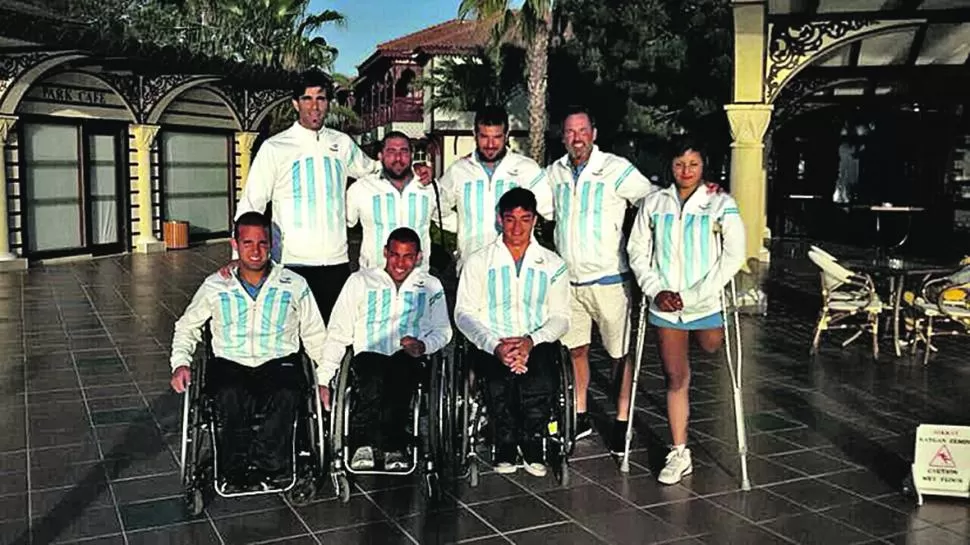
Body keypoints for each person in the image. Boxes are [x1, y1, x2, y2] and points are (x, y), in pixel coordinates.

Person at [229, 70, 430, 322]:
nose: (314, 106)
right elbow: (251, 204)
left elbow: (374, 168)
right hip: (291, 263)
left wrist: (413, 170)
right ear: (295, 103)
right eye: (307, 99)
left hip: (336, 263)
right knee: (295, 340)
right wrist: (238, 258)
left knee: (337, 337)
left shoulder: (341, 143)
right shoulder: (275, 148)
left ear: (328, 103)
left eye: (321, 99)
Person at [169, 211, 334, 491]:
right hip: (231, 361)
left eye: (262, 243)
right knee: (230, 395)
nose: (255, 251)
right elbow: (186, 327)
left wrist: (323, 379)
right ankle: (234, 470)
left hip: (279, 360)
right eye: (248, 243)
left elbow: (315, 334)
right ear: (236, 244)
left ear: (271, 244)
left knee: (288, 394)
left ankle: (268, 466)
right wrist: (181, 363)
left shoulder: (294, 284)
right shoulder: (215, 285)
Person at [627, 140, 745, 485]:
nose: (686, 171)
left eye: (693, 164)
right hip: (665, 304)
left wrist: (695, 294)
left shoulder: (719, 202)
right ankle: (679, 452)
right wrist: (656, 289)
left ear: (703, 165)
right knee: (676, 377)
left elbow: (733, 255)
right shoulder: (655, 202)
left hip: (704, 302)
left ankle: (700, 334)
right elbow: (637, 250)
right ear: (671, 166)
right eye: (680, 164)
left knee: (710, 345)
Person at [545, 106, 659, 452]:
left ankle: (622, 421)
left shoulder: (614, 168)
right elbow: (542, 208)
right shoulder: (556, 172)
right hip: (570, 283)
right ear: (563, 137)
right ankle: (579, 416)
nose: (576, 138)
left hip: (610, 280)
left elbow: (650, 200)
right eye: (569, 132)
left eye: (582, 131)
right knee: (576, 351)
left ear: (593, 133)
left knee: (618, 354)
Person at [455, 188, 570, 476]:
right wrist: (494, 345)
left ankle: (533, 443)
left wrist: (531, 341)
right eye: (510, 219)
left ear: (534, 221)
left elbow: (561, 317)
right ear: (499, 219)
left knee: (539, 379)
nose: (517, 228)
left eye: (525, 219)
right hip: (492, 341)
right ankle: (504, 442)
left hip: (536, 340)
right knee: (496, 380)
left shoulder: (553, 264)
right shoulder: (479, 261)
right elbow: (463, 313)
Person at [321, 227, 452, 471]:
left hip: (410, 356)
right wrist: (324, 377)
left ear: (419, 257)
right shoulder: (360, 281)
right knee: (372, 377)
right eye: (394, 255)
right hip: (370, 353)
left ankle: (394, 446)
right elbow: (339, 331)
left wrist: (423, 345)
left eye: (408, 256)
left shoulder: (430, 285)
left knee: (400, 377)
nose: (400, 263)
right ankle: (363, 444)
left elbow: (444, 331)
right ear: (385, 253)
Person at [437, 105, 554, 272]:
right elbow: (438, 208)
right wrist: (463, 226)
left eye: (497, 137)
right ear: (474, 135)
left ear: (506, 136)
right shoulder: (458, 170)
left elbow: (550, 210)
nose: (490, 144)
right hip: (471, 269)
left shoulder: (526, 168)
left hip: (516, 269)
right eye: (484, 136)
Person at [347, 131, 436, 271]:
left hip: (417, 279)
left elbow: (449, 217)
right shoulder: (361, 188)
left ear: (412, 156)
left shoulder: (429, 187)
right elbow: (344, 222)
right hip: (373, 278)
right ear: (380, 156)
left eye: (404, 151)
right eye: (391, 151)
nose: (398, 158)